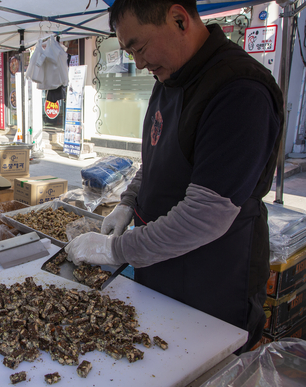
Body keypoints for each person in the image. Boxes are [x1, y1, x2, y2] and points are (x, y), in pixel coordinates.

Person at [65, 0, 284, 353]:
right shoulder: (168, 77)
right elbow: (158, 158)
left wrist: (115, 249)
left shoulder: (239, 91)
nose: (138, 62)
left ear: (179, 19)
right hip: (161, 271)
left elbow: (204, 216)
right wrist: (128, 201)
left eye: (139, 46)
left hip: (213, 286)